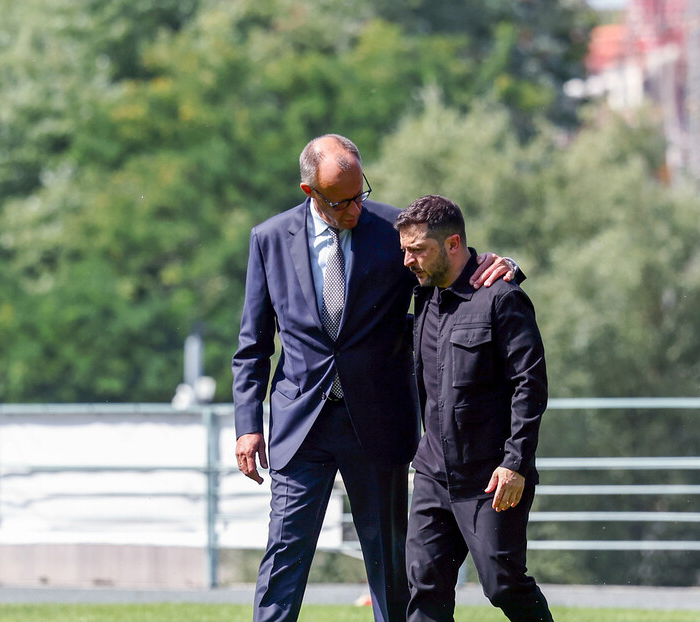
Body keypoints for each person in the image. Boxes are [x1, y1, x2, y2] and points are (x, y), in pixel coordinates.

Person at [232, 134, 516, 622]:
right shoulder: (269, 239)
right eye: (341, 202)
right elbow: (253, 345)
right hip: (301, 427)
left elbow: (448, 267)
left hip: (379, 424)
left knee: (389, 563)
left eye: (360, 194)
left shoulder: (392, 229)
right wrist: (247, 423)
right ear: (310, 193)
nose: (355, 210)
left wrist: (505, 266)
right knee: (284, 558)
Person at [395, 195, 551, 622]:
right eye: (405, 250)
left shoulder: (501, 299)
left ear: (453, 244)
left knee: (503, 583)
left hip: (491, 476)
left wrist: (516, 463)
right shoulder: (422, 294)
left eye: (418, 250)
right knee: (424, 584)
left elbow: (530, 384)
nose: (408, 260)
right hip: (432, 473)